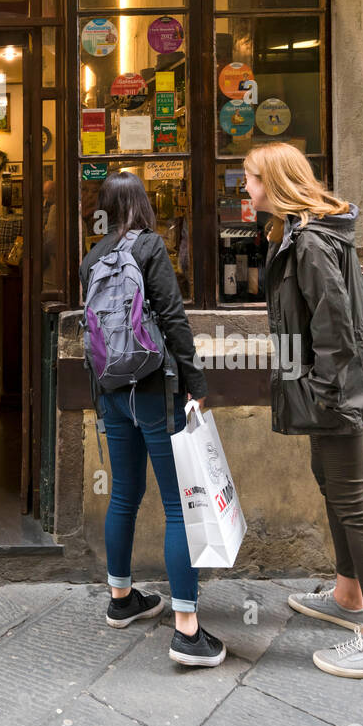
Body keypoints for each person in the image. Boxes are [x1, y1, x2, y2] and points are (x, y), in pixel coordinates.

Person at [242, 142, 363, 679]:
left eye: (251, 178)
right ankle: (347, 594)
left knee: (353, 501)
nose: (245, 188)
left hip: (334, 392)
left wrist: (323, 392)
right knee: (333, 486)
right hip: (325, 388)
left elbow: (334, 326)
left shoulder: (309, 241)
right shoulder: (300, 234)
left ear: (275, 183)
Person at [80, 171, 225, 667]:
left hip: (112, 390)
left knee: (124, 492)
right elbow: (175, 319)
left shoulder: (92, 258)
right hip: (155, 390)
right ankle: (187, 629)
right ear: (142, 204)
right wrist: (197, 385)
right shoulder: (150, 249)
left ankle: (121, 600)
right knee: (178, 504)